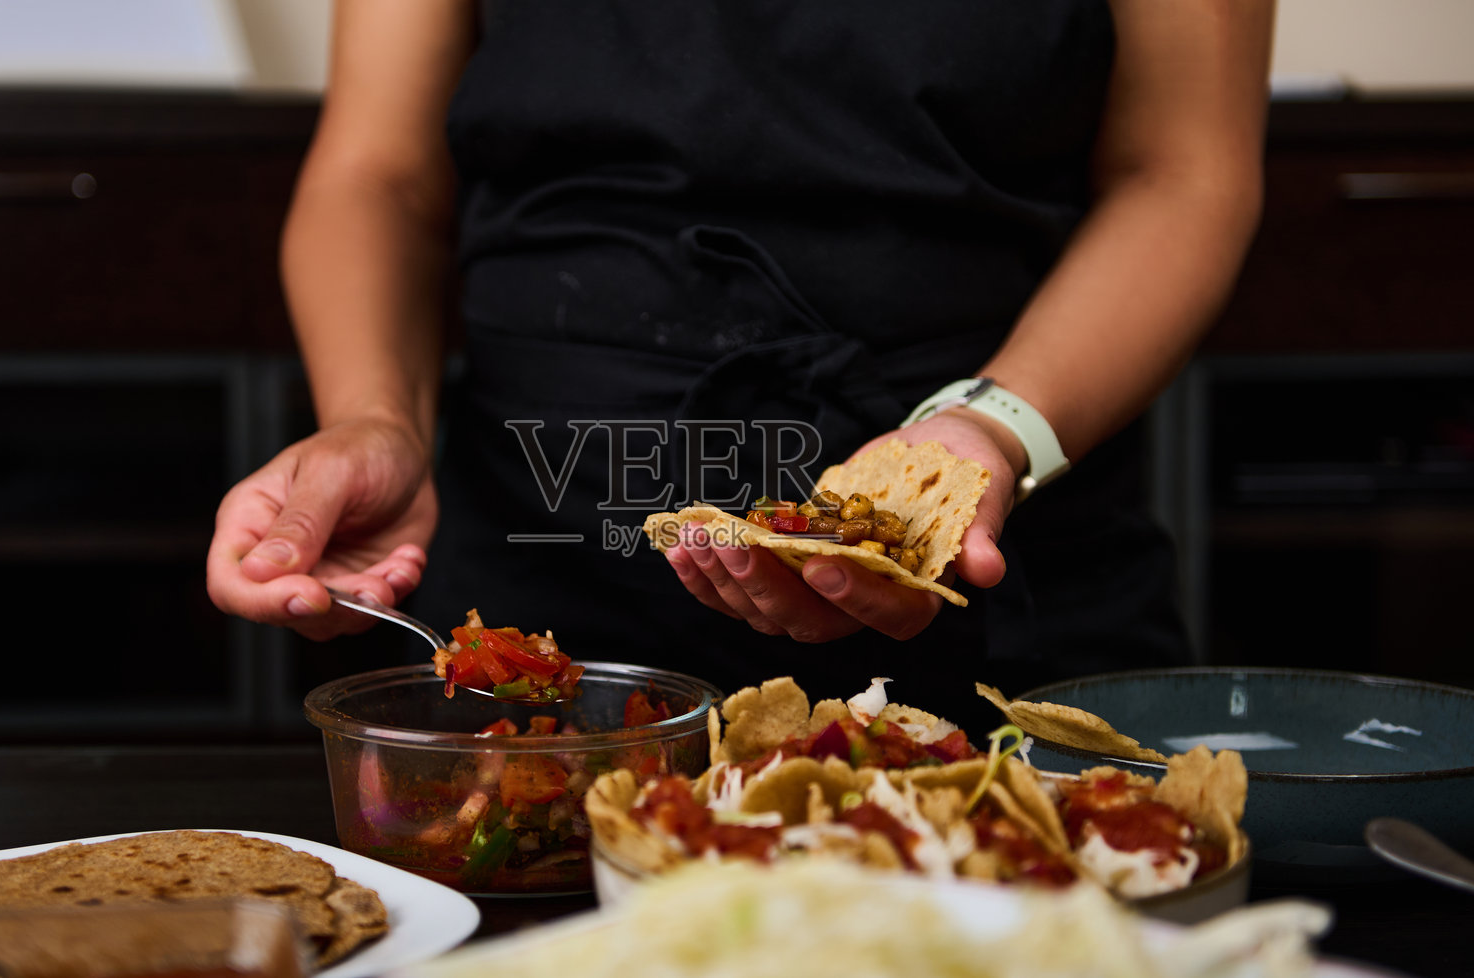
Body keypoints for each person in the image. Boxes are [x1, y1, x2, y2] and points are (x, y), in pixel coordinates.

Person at [206, 0, 1274, 729]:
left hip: (1003, 580)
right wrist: (373, 419)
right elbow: (378, 171)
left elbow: (1182, 171)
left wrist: (986, 432)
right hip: (543, 570)